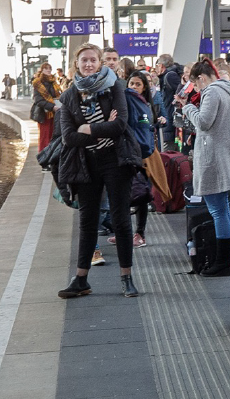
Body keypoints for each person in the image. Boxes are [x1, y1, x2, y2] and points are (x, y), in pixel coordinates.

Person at [57, 42, 142, 299]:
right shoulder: (69, 95)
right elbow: (68, 137)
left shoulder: (114, 87)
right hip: (86, 163)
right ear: (76, 64)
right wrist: (103, 127)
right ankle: (81, 279)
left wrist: (88, 128)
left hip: (116, 159)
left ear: (100, 62)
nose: (88, 64)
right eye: (84, 60)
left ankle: (126, 278)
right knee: (87, 221)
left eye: (93, 60)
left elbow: (120, 125)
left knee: (120, 219)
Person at [174, 59, 230, 277]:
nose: (197, 89)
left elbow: (204, 122)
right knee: (223, 209)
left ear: (201, 78)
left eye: (195, 85)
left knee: (217, 210)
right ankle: (227, 258)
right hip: (225, 155)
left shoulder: (212, 92)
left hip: (212, 158)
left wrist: (187, 107)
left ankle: (223, 261)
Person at [108, 70, 170, 248]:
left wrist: (159, 123)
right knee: (127, 194)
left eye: (138, 84)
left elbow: (146, 126)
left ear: (144, 88)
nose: (134, 87)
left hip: (145, 154)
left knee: (141, 193)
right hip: (131, 152)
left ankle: (140, 234)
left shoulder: (146, 104)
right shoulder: (127, 101)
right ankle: (125, 233)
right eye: (131, 83)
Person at [32, 63, 62, 153]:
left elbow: (58, 95)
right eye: (46, 68)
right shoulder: (38, 83)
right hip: (44, 114)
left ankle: (51, 155)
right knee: (44, 137)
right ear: (42, 70)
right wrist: (52, 107)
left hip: (55, 113)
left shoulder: (53, 82)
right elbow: (38, 100)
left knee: (53, 136)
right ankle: (43, 155)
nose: (48, 70)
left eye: (50, 68)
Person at [156, 54, 183, 150]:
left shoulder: (170, 76)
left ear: (161, 66)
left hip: (170, 120)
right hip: (170, 119)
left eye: (157, 65)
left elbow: (180, 94)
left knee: (168, 151)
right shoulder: (167, 76)